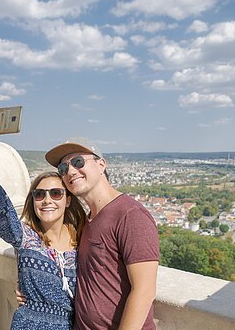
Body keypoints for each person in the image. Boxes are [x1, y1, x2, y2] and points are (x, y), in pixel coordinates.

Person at [0, 105, 87, 329]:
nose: (47, 200)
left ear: (67, 199)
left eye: (56, 193)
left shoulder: (84, 238)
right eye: (39, 194)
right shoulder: (25, 237)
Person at [45, 139, 159, 330]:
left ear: (101, 164)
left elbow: (145, 291)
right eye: (63, 168)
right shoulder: (87, 220)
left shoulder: (130, 215)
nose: (70, 171)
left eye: (78, 162)